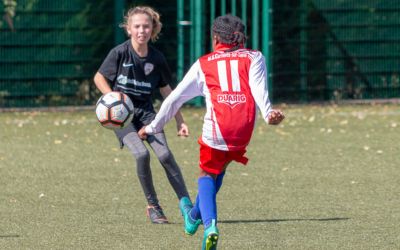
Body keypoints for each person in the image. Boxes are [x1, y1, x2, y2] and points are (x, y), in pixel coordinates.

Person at [138, 14, 285, 249]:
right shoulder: (254, 57)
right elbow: (260, 90)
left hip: (217, 130)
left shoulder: (205, 63)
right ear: (241, 38)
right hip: (243, 130)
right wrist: (268, 114)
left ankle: (210, 226)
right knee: (218, 170)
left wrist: (153, 127)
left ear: (216, 38)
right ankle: (194, 216)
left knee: (206, 175)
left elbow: (174, 99)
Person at [93, 6, 192, 224]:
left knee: (165, 155)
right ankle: (153, 207)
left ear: (152, 29)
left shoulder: (157, 59)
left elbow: (168, 93)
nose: (141, 30)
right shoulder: (119, 53)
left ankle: (187, 206)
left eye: (146, 26)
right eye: (137, 26)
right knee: (141, 155)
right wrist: (114, 100)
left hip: (147, 114)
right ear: (128, 29)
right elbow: (99, 77)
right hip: (121, 118)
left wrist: (180, 121)